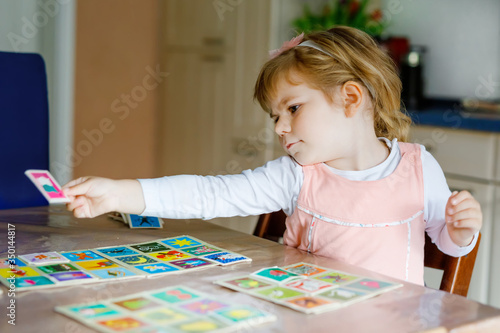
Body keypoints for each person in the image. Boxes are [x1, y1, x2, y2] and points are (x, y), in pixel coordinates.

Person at [64, 26, 482, 285]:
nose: (280, 127)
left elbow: (444, 239)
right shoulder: (296, 175)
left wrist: (460, 235)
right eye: (274, 115)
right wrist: (119, 193)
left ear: (350, 98)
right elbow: (211, 195)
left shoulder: (418, 167)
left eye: (293, 108)